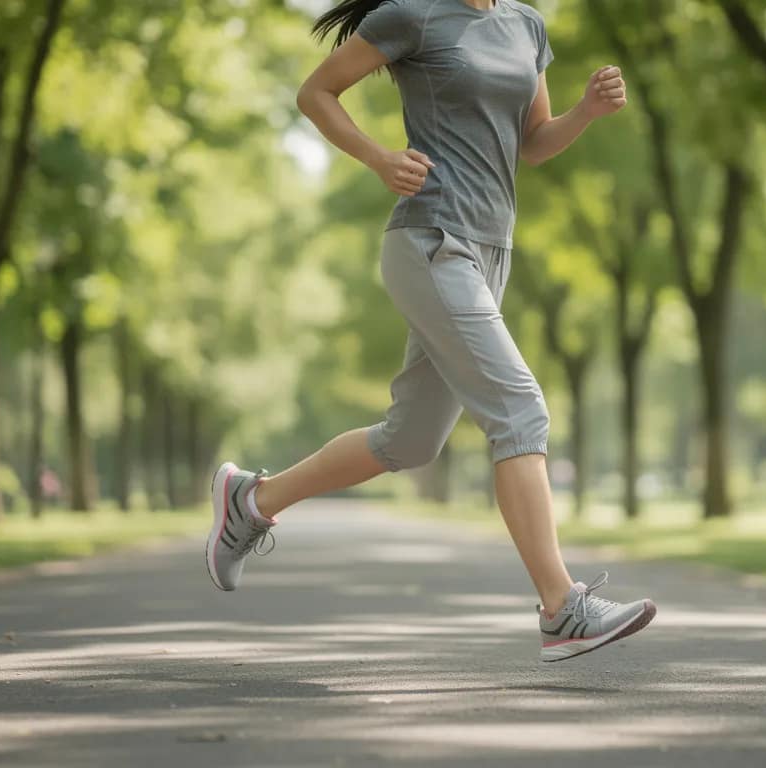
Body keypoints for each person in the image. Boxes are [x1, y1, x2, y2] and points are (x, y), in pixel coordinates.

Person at [206, 0, 655, 663]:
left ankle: (252, 500)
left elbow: (531, 144)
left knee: (410, 440)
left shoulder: (526, 25)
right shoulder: (412, 15)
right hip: (431, 240)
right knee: (520, 412)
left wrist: (584, 113)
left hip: (490, 251)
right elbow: (316, 92)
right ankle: (563, 608)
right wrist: (378, 158)